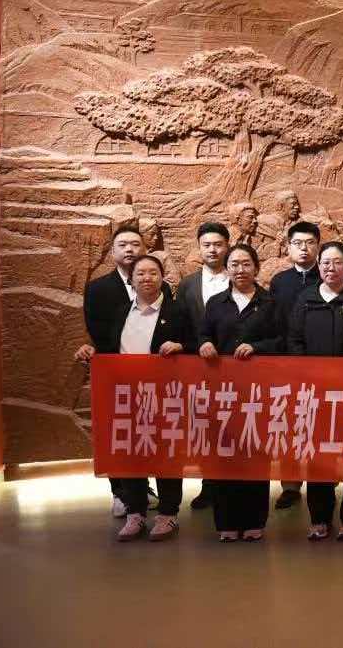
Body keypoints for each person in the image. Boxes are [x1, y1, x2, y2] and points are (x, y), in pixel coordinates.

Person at [74, 225, 173, 519]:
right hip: (116, 374)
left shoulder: (162, 287)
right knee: (119, 435)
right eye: (123, 245)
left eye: (135, 244)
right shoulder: (97, 288)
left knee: (151, 433)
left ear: (145, 250)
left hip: (155, 376)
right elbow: (97, 330)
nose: (130, 249)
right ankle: (120, 493)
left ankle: (149, 492)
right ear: (112, 251)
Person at [287, 241, 343, 542]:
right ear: (319, 265)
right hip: (315, 392)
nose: (331, 268)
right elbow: (294, 340)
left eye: (337, 262)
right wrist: (308, 371)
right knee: (318, 457)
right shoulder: (306, 298)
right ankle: (319, 518)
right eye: (325, 262)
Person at [197, 243, 280, 542]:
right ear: (227, 268)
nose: (240, 270)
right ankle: (226, 522)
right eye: (234, 264)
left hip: (258, 391)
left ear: (256, 268)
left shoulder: (271, 303)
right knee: (224, 455)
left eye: (246, 264)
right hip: (222, 392)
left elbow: (282, 341)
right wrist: (205, 343)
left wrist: (257, 347)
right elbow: (203, 333)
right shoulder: (216, 303)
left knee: (255, 455)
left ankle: (255, 520)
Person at [109, 254, 193, 542]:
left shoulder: (178, 311)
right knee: (130, 455)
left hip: (165, 396)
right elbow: (109, 348)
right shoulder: (121, 311)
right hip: (126, 396)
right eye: (140, 273)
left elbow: (196, 344)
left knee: (166, 454)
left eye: (153, 273)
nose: (146, 278)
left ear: (162, 277)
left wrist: (180, 345)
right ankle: (135, 513)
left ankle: (168, 514)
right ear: (131, 280)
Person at [176, 221, 230, 511]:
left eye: (218, 244)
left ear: (227, 246)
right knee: (205, 427)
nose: (212, 250)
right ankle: (209, 485)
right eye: (207, 245)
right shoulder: (187, 285)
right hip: (198, 366)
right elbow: (182, 324)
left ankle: (233, 484)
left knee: (233, 426)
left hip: (234, 366)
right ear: (199, 248)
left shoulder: (239, 279)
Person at [267, 220, 322, 510]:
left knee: (319, 423)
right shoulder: (280, 282)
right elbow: (274, 323)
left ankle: (321, 480)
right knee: (289, 425)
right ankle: (290, 485)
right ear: (288, 247)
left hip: (320, 364)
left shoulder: (327, 276)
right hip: (286, 364)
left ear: (318, 247)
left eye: (310, 243)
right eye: (298, 243)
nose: (304, 249)